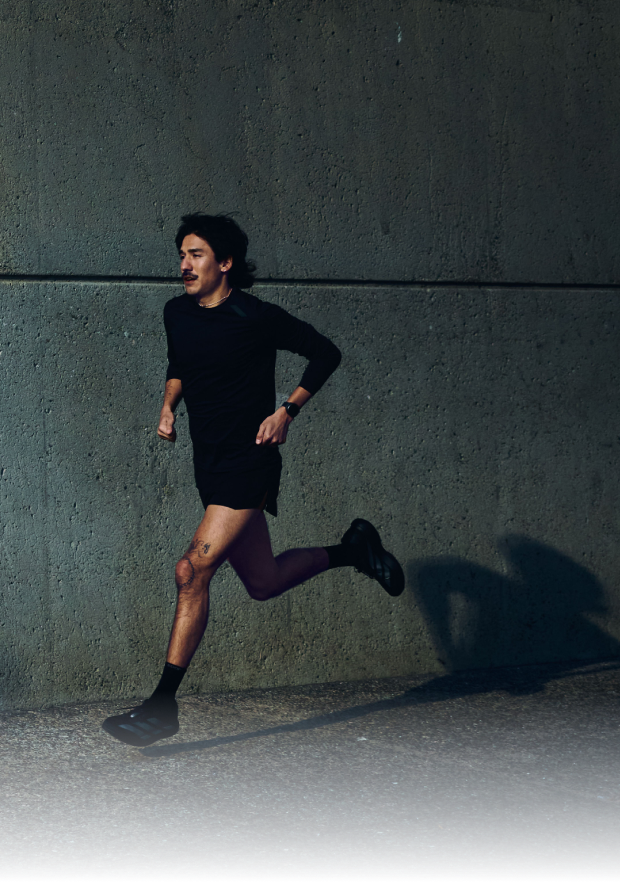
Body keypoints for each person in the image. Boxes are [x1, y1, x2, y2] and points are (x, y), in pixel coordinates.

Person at [102, 213, 403, 748]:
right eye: (182, 255)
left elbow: (325, 353)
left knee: (190, 571)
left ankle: (162, 706)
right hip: (210, 464)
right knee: (262, 583)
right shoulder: (177, 312)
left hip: (250, 460)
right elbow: (180, 365)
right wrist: (168, 407)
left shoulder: (255, 315)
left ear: (225, 262)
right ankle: (353, 549)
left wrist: (287, 410)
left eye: (195, 255)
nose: (184, 265)